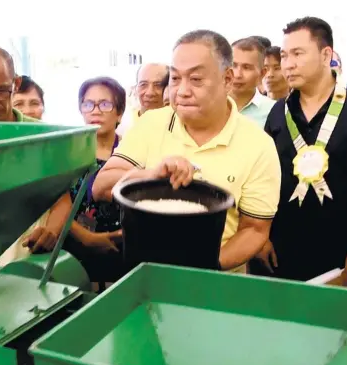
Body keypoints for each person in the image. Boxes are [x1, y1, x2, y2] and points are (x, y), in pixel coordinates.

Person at [93, 30, 281, 273]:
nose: (181, 91)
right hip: (144, 276)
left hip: (215, 283)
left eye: (196, 79)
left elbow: (254, 229)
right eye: (174, 78)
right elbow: (101, 187)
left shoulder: (258, 145)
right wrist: (150, 175)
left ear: (227, 79)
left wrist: (204, 268)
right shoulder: (151, 124)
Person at [261, 17, 347, 281]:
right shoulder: (279, 113)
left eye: (298, 54)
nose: (288, 64)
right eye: (284, 55)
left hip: (344, 255)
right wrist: (261, 236)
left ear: (326, 54)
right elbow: (264, 179)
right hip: (280, 253)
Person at [0, 46, 71, 261]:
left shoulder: (43, 137)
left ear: (16, 83)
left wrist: (50, 232)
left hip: (31, 258)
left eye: (1, 91)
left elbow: (61, 199)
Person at [63, 77, 126, 290]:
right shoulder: (67, 154)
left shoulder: (129, 152)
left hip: (118, 251)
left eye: (105, 104)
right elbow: (54, 207)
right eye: (88, 104)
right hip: (72, 249)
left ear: (119, 112)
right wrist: (87, 238)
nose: (95, 111)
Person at [230, 38, 275, 128]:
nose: (237, 75)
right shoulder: (208, 106)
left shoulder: (275, 111)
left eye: (246, 67)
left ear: (262, 73)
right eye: (233, 65)